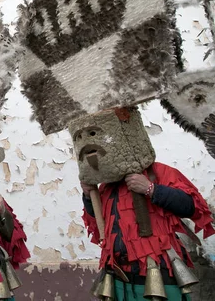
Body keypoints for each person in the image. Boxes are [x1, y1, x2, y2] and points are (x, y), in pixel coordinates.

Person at [72, 108, 215, 300]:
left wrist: (151, 189)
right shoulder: (106, 186)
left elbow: (191, 207)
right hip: (118, 275)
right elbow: (100, 227)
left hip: (159, 272)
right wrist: (89, 196)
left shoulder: (160, 172)